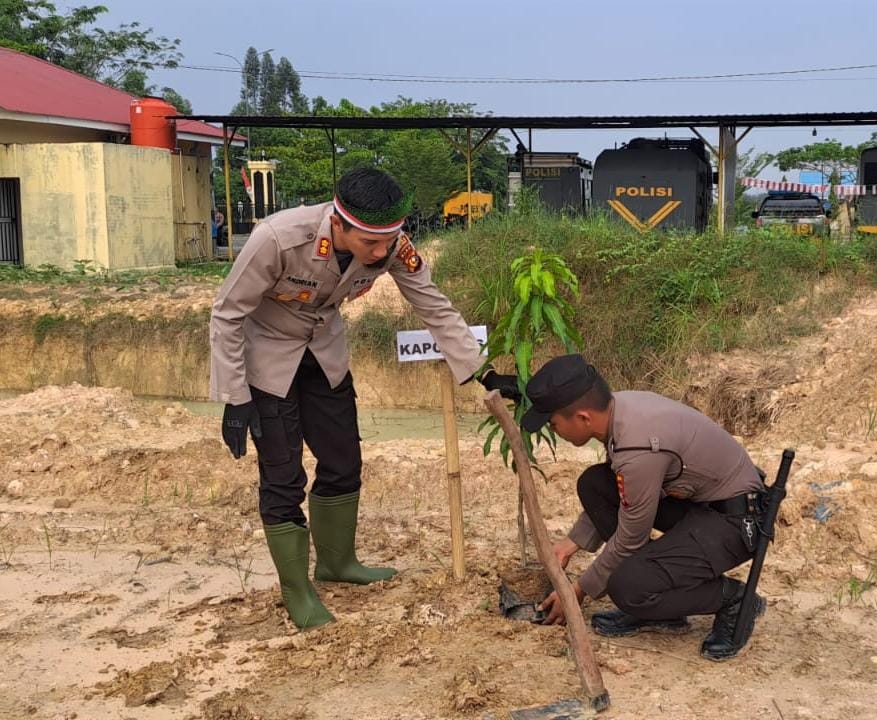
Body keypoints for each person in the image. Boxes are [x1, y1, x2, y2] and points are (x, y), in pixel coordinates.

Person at [210, 167, 520, 629]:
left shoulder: (391, 243)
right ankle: (298, 591)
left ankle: (337, 563)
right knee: (283, 476)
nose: (381, 254)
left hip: (324, 354)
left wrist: (484, 371)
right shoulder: (278, 238)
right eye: (370, 244)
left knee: (343, 461)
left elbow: (432, 303)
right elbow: (227, 314)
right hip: (267, 360)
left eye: (388, 243)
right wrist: (235, 398)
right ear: (338, 224)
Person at [525, 354, 767, 661]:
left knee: (626, 586)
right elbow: (626, 497)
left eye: (554, 423)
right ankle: (663, 606)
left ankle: (736, 599)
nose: (554, 430)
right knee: (596, 484)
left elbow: (630, 537)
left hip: (735, 522)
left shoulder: (638, 447)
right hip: (701, 506)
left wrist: (578, 590)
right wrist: (571, 544)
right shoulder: (621, 410)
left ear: (583, 417)